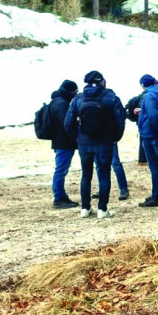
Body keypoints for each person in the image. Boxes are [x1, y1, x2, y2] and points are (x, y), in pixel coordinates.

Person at [63, 70, 126, 219]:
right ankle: (102, 209)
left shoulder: (78, 98)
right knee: (104, 174)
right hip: (104, 142)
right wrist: (114, 137)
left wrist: (78, 138)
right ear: (102, 82)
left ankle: (85, 208)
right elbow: (120, 121)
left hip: (84, 143)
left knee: (86, 174)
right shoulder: (111, 97)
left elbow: (68, 123)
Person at [134, 74, 158, 207]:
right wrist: (142, 111)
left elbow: (154, 116)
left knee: (154, 166)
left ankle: (156, 197)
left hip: (150, 134)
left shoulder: (149, 96)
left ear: (143, 85)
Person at [45, 79, 80, 209]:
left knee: (61, 169)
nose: (76, 94)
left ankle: (60, 196)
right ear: (69, 91)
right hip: (64, 142)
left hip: (59, 141)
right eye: (75, 92)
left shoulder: (55, 102)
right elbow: (67, 123)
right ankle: (59, 197)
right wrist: (76, 136)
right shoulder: (62, 105)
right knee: (61, 170)